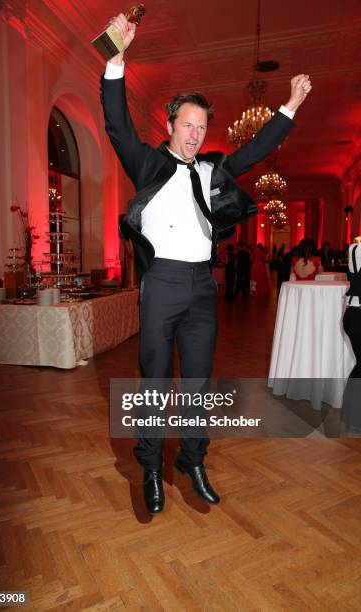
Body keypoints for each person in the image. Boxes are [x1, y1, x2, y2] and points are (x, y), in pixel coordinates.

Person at [101, 12, 312, 514]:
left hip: (201, 288)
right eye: (187, 125)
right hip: (163, 284)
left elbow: (257, 149)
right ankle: (151, 464)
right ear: (170, 125)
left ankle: (192, 460)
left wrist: (290, 106)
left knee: (199, 381)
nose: (194, 134)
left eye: (201, 127)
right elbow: (117, 125)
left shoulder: (214, 169)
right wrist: (115, 61)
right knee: (154, 383)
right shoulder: (149, 164)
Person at [342, 240, 361, 433]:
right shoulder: (358, 249)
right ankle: (354, 417)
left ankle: (352, 416)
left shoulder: (356, 249)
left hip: (354, 314)